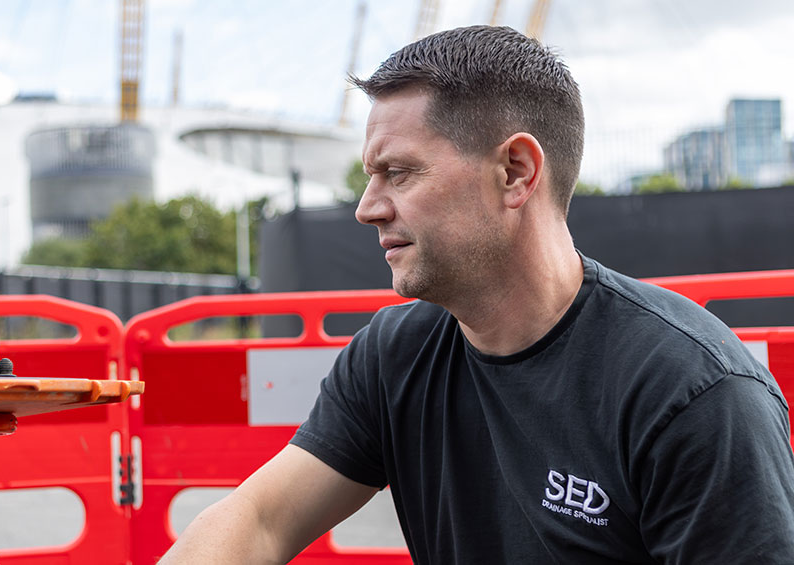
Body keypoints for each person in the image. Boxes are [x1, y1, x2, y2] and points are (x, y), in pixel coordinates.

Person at [161, 25, 794, 564]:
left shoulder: (693, 394)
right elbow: (258, 521)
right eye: (369, 176)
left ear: (516, 172)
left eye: (399, 172)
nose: (366, 208)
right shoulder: (392, 356)